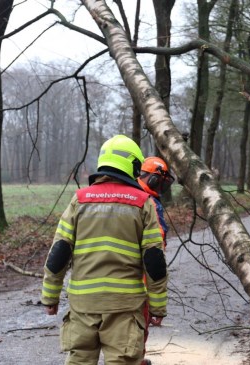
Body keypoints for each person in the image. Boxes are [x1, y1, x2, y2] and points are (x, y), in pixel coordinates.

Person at [41, 135, 168, 365]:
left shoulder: (79, 199)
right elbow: (154, 260)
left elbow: (59, 252)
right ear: (133, 166)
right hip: (125, 309)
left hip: (83, 306)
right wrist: (158, 306)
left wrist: (50, 296)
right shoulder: (142, 203)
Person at [136, 156, 174, 365]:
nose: (161, 187)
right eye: (160, 181)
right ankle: (136, 358)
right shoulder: (147, 202)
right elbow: (155, 247)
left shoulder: (137, 197)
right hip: (141, 278)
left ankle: (136, 357)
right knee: (139, 322)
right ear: (151, 178)